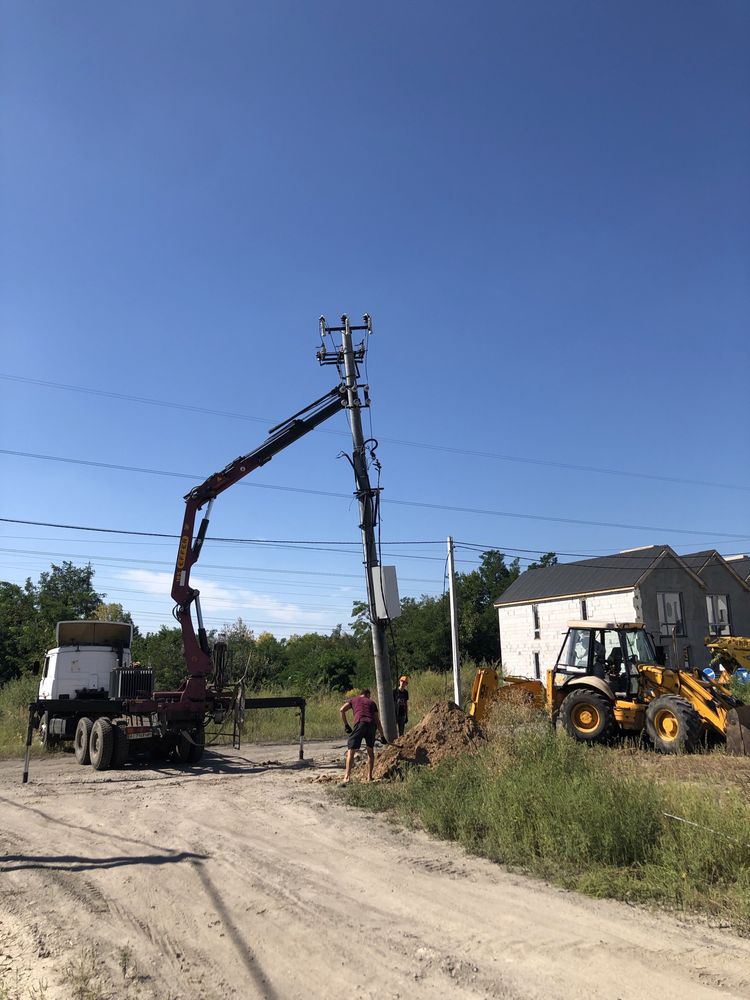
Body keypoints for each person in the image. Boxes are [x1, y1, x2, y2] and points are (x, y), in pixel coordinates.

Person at [340, 688, 387, 784]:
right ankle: (369, 777)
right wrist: (382, 737)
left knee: (351, 750)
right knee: (370, 750)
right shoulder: (372, 703)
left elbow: (342, 710)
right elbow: (377, 721)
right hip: (371, 725)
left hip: (360, 723)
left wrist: (346, 725)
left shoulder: (354, 699)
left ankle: (347, 777)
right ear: (367, 694)